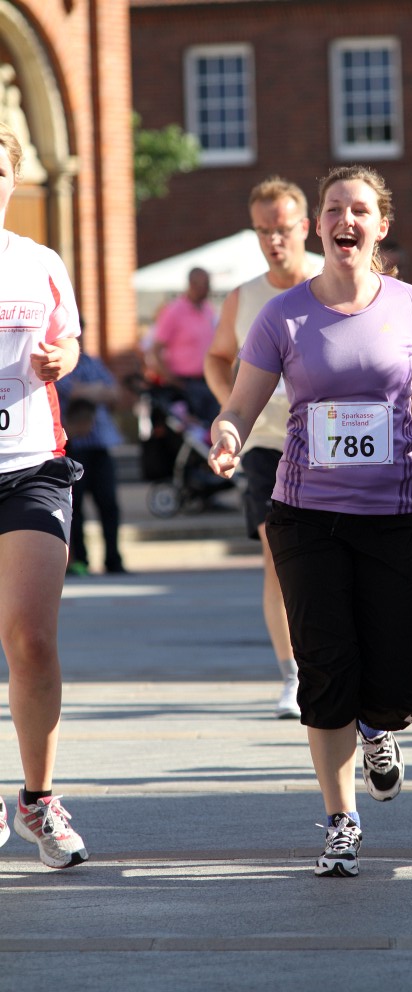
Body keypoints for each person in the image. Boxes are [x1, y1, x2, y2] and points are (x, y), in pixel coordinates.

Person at [208, 165, 412, 877]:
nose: (346, 219)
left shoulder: (410, 306)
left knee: (399, 681)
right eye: (334, 209)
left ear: (380, 226)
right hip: (305, 514)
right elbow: (242, 404)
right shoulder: (282, 315)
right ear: (319, 225)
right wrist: (226, 435)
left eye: (360, 210)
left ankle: (379, 727)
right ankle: (340, 820)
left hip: (395, 514)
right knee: (325, 668)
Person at [0, 122, 88, 868]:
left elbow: (72, 340)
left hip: (32, 465)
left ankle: (38, 800)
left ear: (14, 177)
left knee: (30, 637)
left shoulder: (39, 262)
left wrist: (64, 356)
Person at [204, 177, 321, 719]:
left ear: (305, 226)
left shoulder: (331, 279)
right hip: (268, 444)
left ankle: (333, 660)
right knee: (277, 558)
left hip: (330, 441)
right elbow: (216, 356)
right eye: (262, 230)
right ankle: (292, 674)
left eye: (282, 228)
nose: (274, 240)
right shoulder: (245, 296)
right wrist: (233, 410)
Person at [56, 320, 127, 575]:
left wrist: (90, 391)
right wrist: (96, 390)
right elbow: (71, 390)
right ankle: (81, 561)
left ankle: (113, 560)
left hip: (100, 444)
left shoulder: (92, 362)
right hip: (73, 445)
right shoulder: (58, 362)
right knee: (75, 508)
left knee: (109, 504)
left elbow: (115, 393)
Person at [150, 266, 219, 425]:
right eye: (205, 284)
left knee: (212, 426)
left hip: (207, 380)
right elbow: (155, 349)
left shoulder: (208, 309)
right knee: (195, 430)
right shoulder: (174, 311)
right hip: (184, 383)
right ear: (192, 284)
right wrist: (171, 379)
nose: (208, 289)